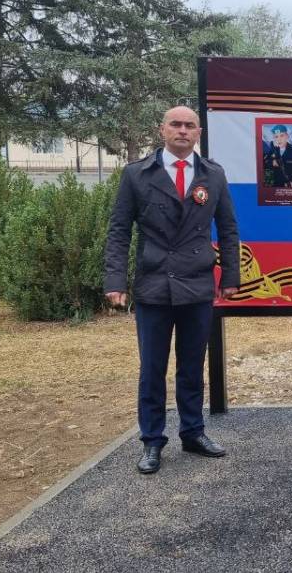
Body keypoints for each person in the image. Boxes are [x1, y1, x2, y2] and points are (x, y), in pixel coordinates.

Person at [103, 106, 240, 475]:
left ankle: (193, 432)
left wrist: (230, 276)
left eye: (189, 125)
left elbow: (228, 228)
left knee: (192, 366)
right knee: (152, 368)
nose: (182, 130)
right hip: (154, 284)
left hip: (196, 283)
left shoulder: (213, 174)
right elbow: (119, 230)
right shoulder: (137, 174)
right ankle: (152, 440)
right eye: (175, 124)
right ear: (162, 130)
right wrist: (115, 280)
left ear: (199, 133)